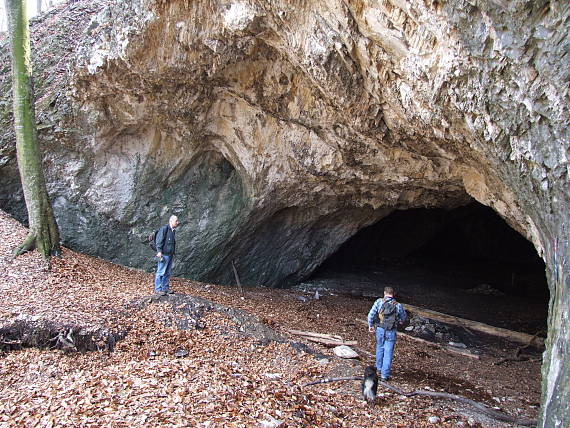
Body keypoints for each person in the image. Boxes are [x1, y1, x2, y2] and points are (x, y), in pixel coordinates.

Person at [367, 286, 407, 381]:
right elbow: (403, 318)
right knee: (388, 352)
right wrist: (400, 322)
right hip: (391, 331)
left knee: (380, 347)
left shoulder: (379, 302)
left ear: (385, 293)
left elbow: (371, 314)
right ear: (393, 294)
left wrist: (370, 325)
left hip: (380, 329)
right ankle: (385, 375)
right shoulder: (398, 305)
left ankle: (379, 368)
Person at [154, 215, 179, 295]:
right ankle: (158, 289)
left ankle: (165, 288)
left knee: (167, 273)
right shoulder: (164, 229)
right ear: (171, 221)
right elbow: (159, 240)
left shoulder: (173, 230)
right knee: (160, 272)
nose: (178, 222)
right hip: (164, 255)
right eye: (176, 221)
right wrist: (159, 251)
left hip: (170, 255)